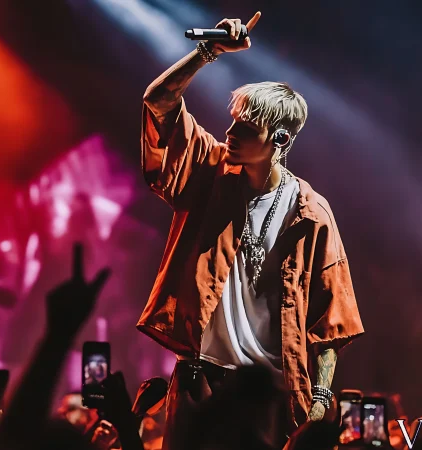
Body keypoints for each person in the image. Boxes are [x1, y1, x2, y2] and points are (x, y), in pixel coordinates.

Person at [136, 10, 365, 448]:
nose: (231, 130)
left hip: (269, 394)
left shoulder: (313, 213)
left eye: (246, 124)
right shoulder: (210, 170)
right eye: (235, 119)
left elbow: (334, 319)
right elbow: (158, 102)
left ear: (279, 139)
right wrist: (208, 52)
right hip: (200, 383)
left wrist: (320, 395)